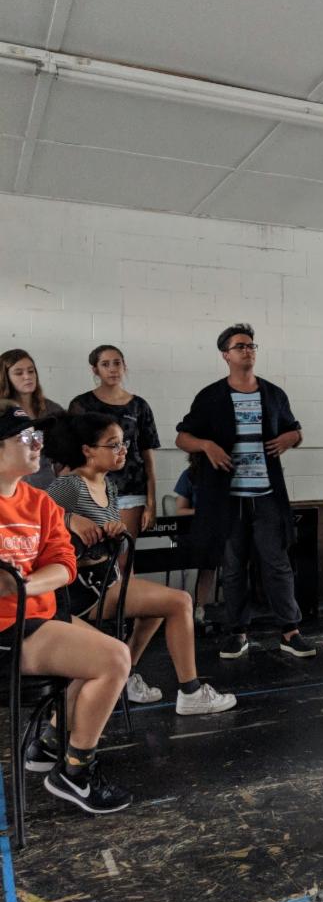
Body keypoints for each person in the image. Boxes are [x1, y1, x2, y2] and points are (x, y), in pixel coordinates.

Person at [46, 412, 236, 715]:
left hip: (106, 579)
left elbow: (107, 537)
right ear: (88, 450)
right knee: (179, 602)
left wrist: (114, 531)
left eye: (124, 444)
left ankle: (126, 673)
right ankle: (191, 692)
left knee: (159, 609)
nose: (123, 451)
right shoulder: (70, 485)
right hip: (80, 589)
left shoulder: (108, 485)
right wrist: (70, 519)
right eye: (113, 445)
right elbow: (37, 516)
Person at [0, 400, 132, 814]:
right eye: (25, 437)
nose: (37, 444)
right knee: (113, 658)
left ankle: (50, 744)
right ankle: (76, 771)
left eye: (37, 435)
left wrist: (25, 585)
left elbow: (64, 563)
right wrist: (23, 586)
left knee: (108, 655)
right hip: (7, 630)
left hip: (37, 616)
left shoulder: (39, 502)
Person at [175, 323, 315, 660]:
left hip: (266, 494)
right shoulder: (210, 396)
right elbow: (182, 438)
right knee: (234, 565)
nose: (247, 351)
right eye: (240, 346)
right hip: (227, 498)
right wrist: (206, 445)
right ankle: (237, 632)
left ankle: (290, 631)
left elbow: (296, 431)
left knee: (277, 563)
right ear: (225, 355)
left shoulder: (273, 394)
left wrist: (292, 438)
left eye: (251, 345)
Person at [69, 345, 160, 541]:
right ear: (95, 370)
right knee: (94, 550)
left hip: (130, 489)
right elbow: (73, 452)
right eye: (105, 364)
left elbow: (148, 458)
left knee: (123, 550)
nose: (112, 369)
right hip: (91, 490)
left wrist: (152, 502)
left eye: (117, 363)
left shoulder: (139, 406)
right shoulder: (81, 404)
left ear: (124, 366)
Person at [0, 349, 65, 490]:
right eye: (19, 373)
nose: (27, 377)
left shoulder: (52, 409)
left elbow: (64, 453)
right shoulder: (3, 411)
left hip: (47, 483)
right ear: (6, 377)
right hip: (10, 485)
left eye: (31, 371)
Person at [174, 455, 218, 627]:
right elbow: (180, 510)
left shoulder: (223, 475)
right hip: (193, 532)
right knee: (203, 557)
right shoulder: (189, 475)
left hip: (216, 532)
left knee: (211, 560)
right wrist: (202, 511)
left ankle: (200, 608)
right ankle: (189, 607)